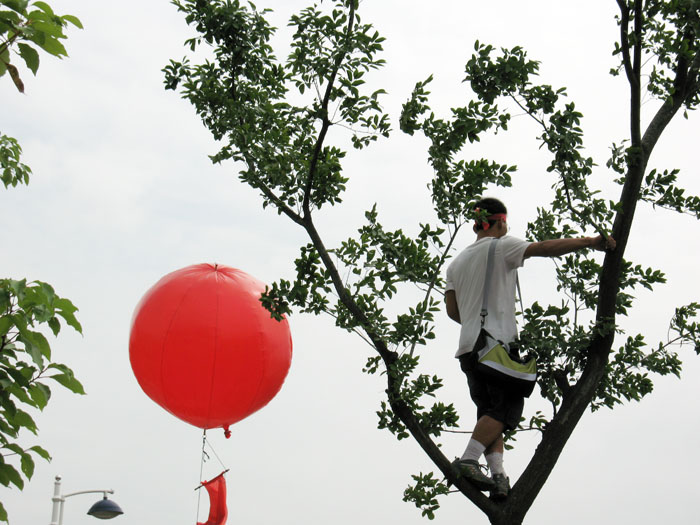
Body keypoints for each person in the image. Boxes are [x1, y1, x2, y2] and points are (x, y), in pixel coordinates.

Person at [444, 197, 615, 500]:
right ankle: (468, 461)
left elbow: (452, 311)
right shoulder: (501, 246)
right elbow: (544, 248)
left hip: (469, 350)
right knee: (503, 410)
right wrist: (590, 242)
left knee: (489, 412)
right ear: (500, 221)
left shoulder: (456, 263)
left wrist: (474, 320)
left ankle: (498, 477)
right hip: (494, 346)